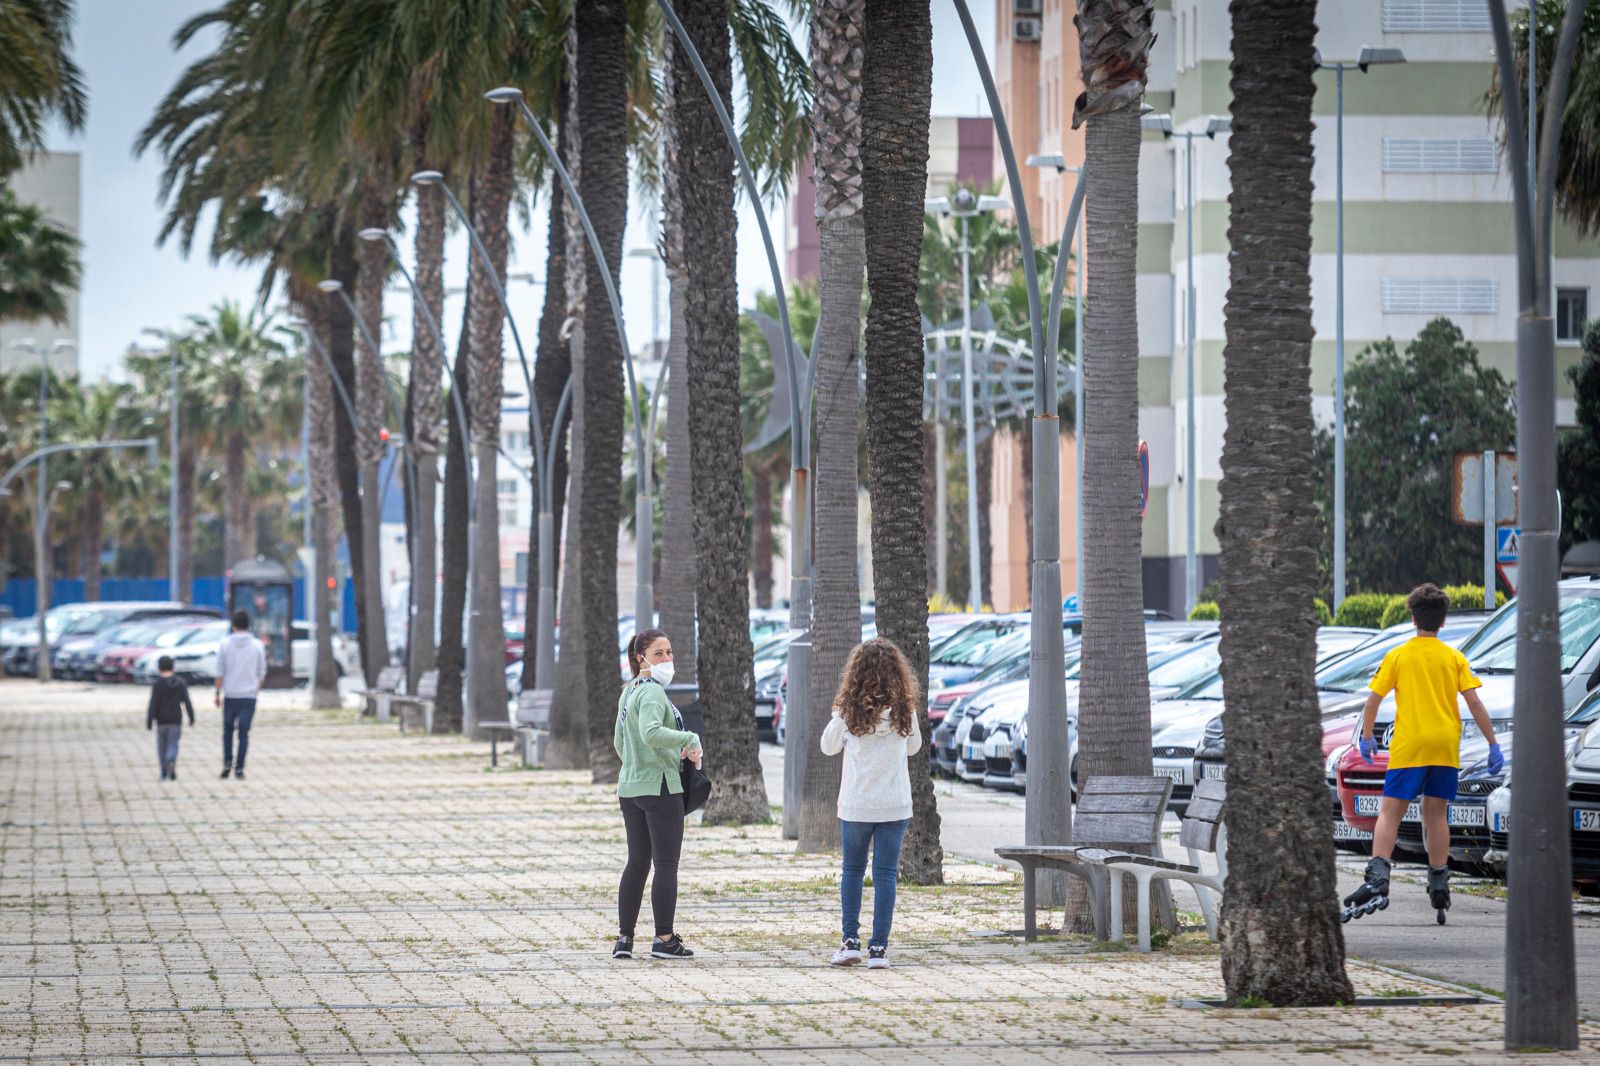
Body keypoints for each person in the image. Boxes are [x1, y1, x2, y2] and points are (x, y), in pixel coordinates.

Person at [1343, 583, 1501, 924]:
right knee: (1436, 814)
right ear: (1443, 623)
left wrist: (1368, 737)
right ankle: (1439, 882)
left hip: (1410, 745)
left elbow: (1373, 700)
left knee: (1390, 812)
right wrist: (1492, 744)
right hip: (1445, 744)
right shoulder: (1454, 657)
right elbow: (1474, 702)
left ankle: (1378, 878)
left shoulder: (1398, 656)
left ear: (1413, 617)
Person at [819, 638, 923, 969]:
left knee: (852, 870)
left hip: (857, 804)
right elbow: (913, 748)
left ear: (856, 673)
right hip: (894, 804)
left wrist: (839, 715)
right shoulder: (905, 711)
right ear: (898, 674)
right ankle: (879, 950)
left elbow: (827, 747)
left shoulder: (849, 712)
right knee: (885, 874)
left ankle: (850, 943)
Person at [612, 628, 702, 961]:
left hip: (631, 787)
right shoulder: (651, 692)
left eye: (669, 652)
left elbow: (620, 743)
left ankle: (624, 938)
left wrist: (641, 762)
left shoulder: (629, 692)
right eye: (659, 653)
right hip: (660, 788)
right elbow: (651, 733)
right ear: (641, 659)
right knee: (665, 864)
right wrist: (688, 740)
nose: (667, 659)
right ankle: (664, 938)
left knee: (637, 863)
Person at [215, 609, 266, 781]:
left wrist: (217, 692)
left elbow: (220, 671)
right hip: (249, 696)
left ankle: (227, 763)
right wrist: (255, 689)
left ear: (234, 625)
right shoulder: (257, 645)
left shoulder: (224, 644)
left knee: (228, 731)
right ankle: (240, 767)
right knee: (244, 733)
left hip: (230, 694)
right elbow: (262, 671)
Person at [146, 654, 196, 781]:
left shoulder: (157, 684)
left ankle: (163, 771)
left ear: (159, 668)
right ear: (173, 667)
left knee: (161, 747)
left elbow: (153, 702)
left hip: (161, 720)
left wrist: (149, 720)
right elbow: (187, 701)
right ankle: (171, 759)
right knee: (173, 743)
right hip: (176, 719)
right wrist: (191, 717)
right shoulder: (180, 682)